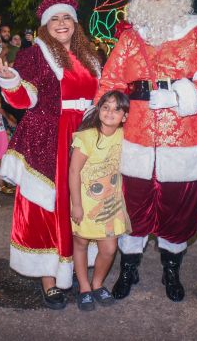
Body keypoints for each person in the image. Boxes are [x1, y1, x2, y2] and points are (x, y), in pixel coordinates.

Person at [97, 0, 197, 302]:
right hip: (136, 137)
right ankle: (129, 268)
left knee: (179, 208)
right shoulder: (129, 38)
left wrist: (183, 96)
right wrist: (110, 115)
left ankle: (172, 270)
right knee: (132, 206)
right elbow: (111, 79)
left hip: (187, 136)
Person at [0, 0, 101, 309]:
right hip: (48, 137)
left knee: (80, 205)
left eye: (66, 18)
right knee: (46, 208)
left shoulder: (90, 55)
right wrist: (10, 80)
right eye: (55, 19)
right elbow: (25, 100)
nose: (62, 24)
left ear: (75, 23)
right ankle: (49, 279)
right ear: (44, 26)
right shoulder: (34, 55)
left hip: (86, 134)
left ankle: (78, 272)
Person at [69, 90, 131, 311]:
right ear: (98, 110)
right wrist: (76, 205)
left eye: (116, 109)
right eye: (106, 107)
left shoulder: (125, 136)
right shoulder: (86, 137)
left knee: (109, 248)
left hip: (111, 206)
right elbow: (74, 172)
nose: (110, 112)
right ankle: (84, 287)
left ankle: (97, 283)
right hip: (84, 203)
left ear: (124, 116)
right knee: (81, 243)